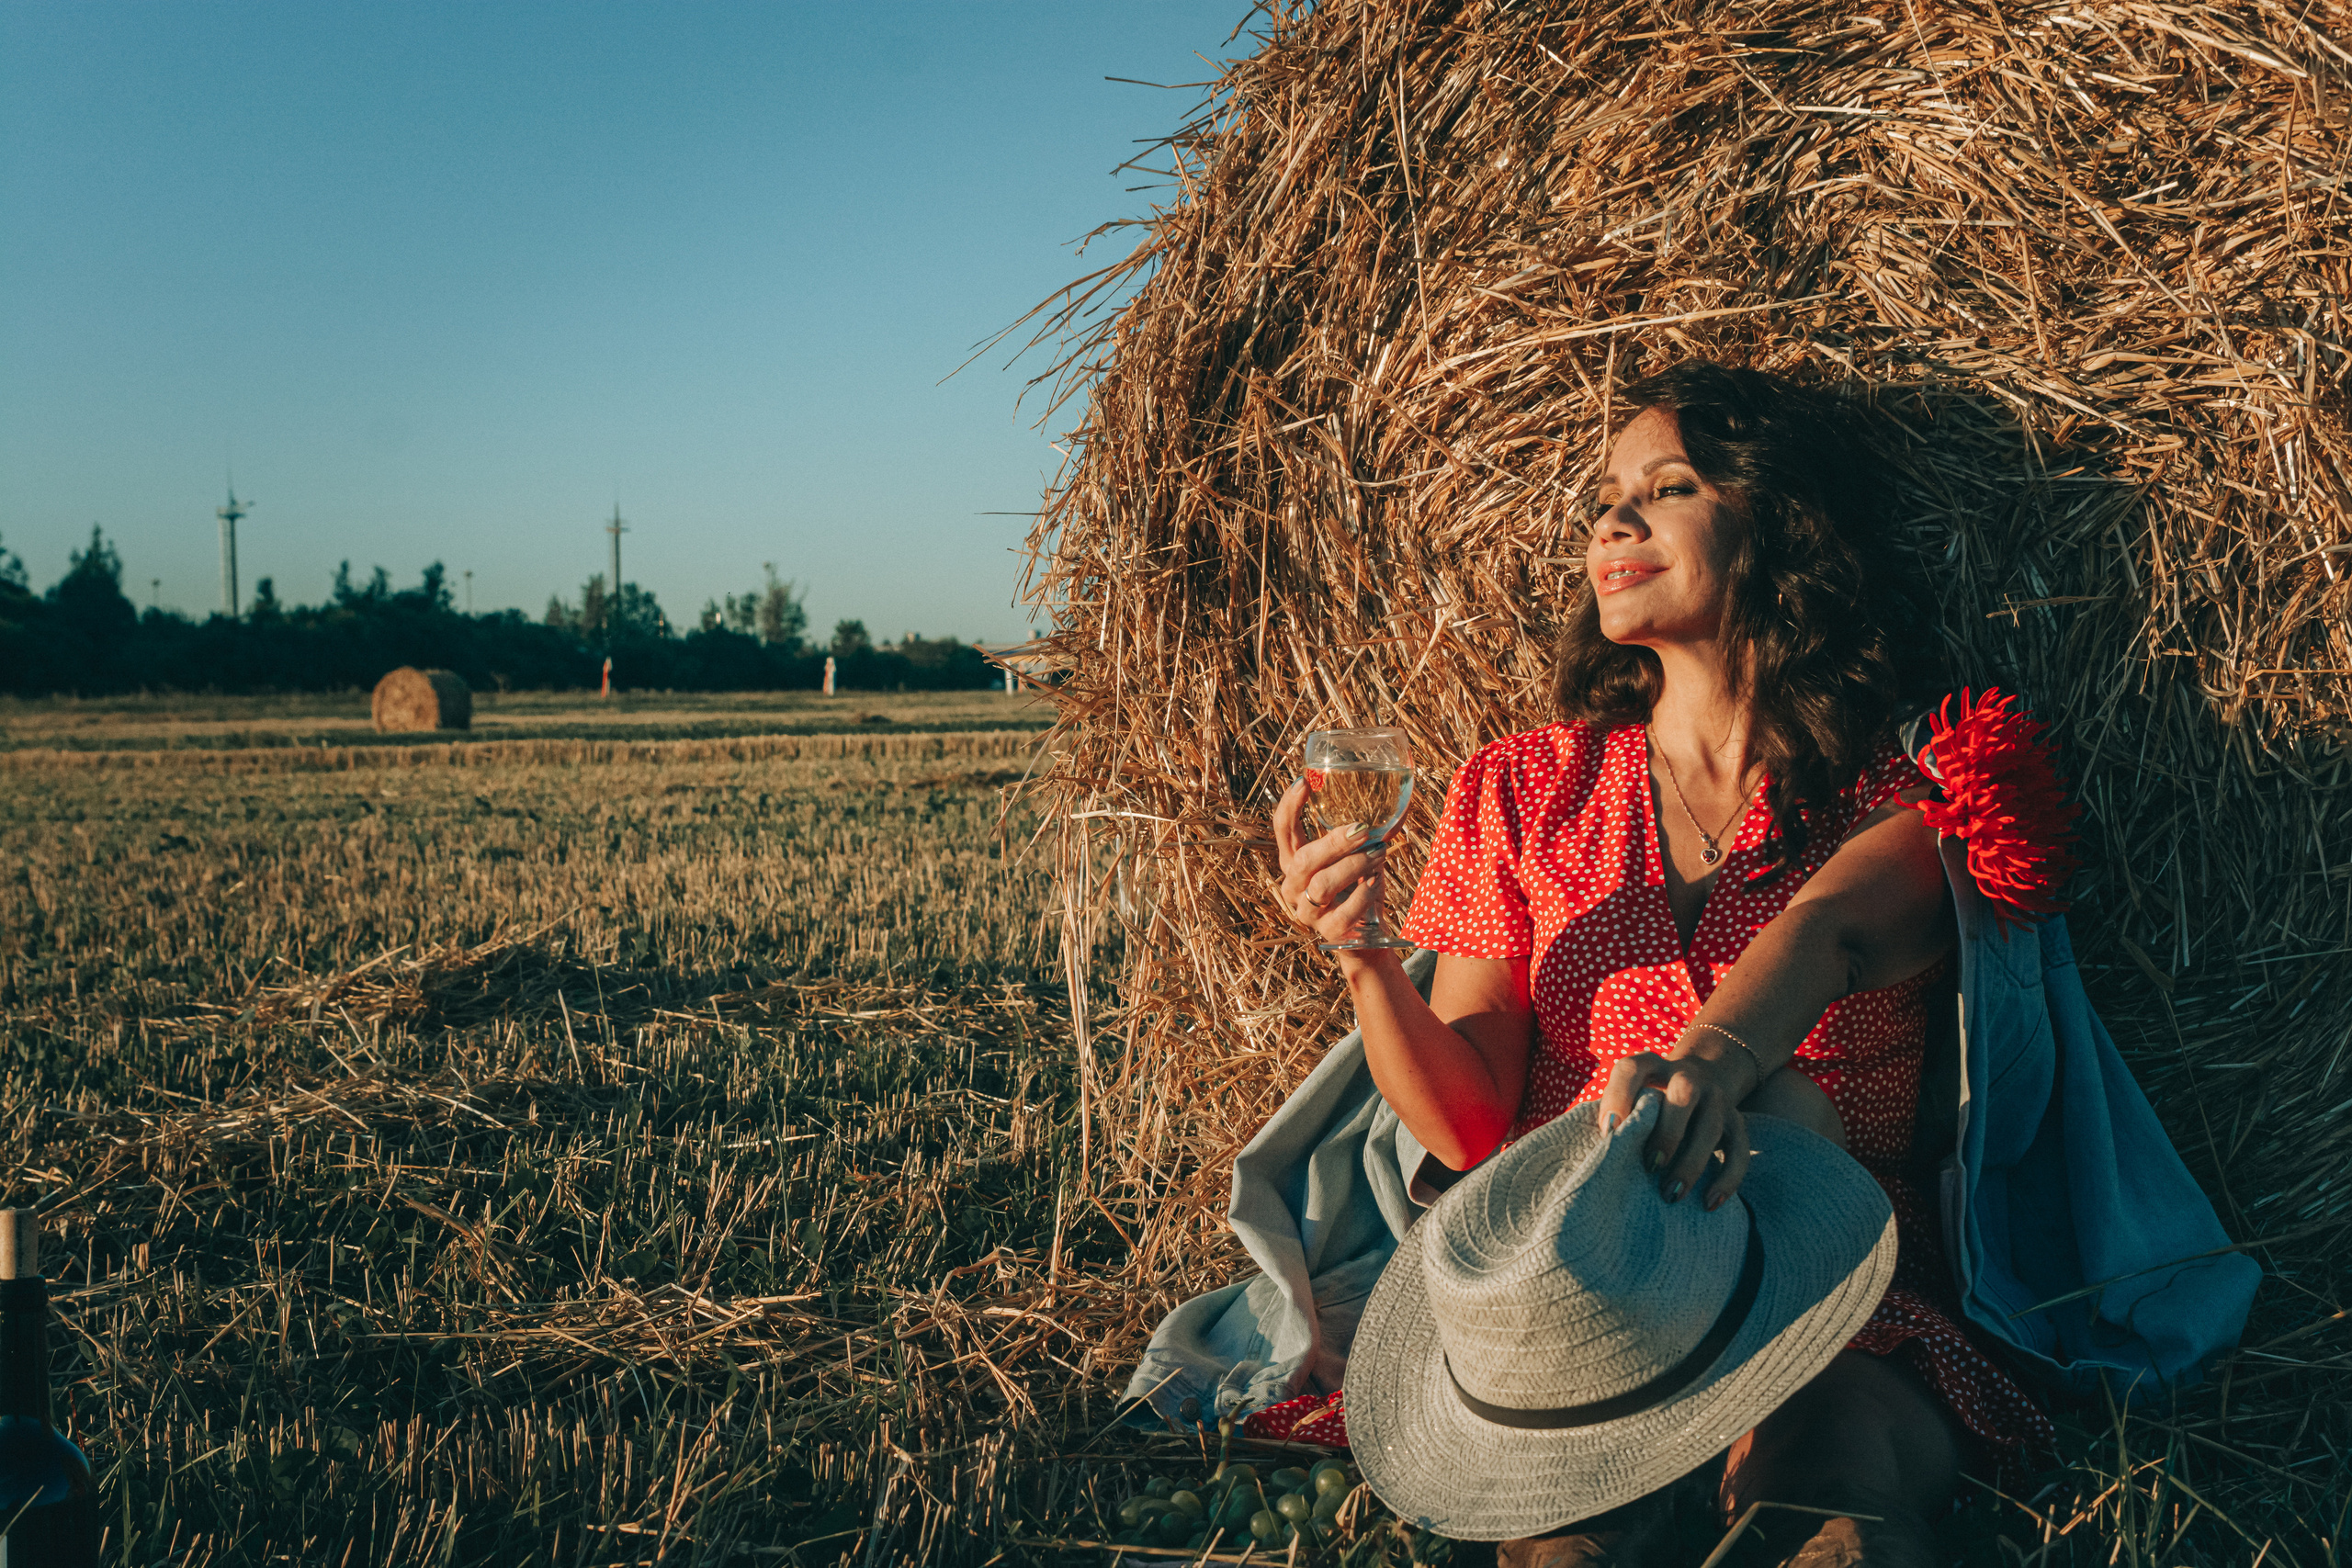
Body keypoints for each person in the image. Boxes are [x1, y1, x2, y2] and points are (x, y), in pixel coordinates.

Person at [1271, 362, 2052, 1565]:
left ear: (1779, 527)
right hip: (1585, 1289)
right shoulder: (1521, 787)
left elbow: (1822, 934)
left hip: (1825, 1296)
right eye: (1604, 500)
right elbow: (1472, 1120)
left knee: (1823, 1508)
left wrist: (1703, 1073)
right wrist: (1367, 960)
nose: (1613, 523)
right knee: (1563, 1548)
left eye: (1668, 488)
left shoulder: (1903, 797)